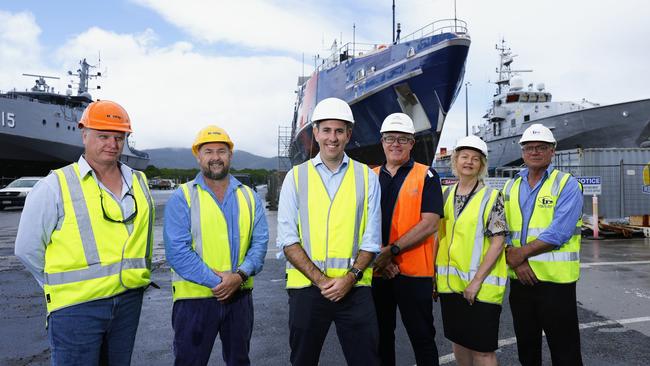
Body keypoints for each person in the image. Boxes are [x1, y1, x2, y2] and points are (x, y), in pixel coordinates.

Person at [14, 100, 155, 365]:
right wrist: (61, 286)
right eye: (103, 136)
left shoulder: (139, 181)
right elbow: (26, 249)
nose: (112, 144)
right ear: (84, 134)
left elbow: (143, 238)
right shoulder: (55, 185)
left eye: (118, 137)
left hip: (127, 301)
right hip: (76, 308)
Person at [277, 97, 382, 366]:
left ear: (349, 134)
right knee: (303, 361)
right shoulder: (296, 178)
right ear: (315, 133)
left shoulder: (367, 177)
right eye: (326, 130)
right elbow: (288, 241)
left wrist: (349, 278)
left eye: (339, 131)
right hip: (307, 289)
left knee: (366, 361)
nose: (332, 138)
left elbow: (371, 240)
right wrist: (323, 282)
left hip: (355, 288)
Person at [164, 125, 268, 366]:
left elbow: (260, 243)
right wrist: (222, 283)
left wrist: (239, 276)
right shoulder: (183, 197)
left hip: (240, 299)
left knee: (239, 361)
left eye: (221, 151)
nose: (215, 157)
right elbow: (177, 252)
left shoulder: (249, 197)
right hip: (194, 301)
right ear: (198, 156)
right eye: (208, 151)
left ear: (230, 155)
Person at [503, 123, 584, 365]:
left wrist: (519, 256)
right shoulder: (510, 186)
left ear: (552, 152)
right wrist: (515, 259)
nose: (535, 152)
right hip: (520, 281)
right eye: (529, 148)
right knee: (526, 349)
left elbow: (560, 232)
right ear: (522, 152)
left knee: (565, 351)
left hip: (555, 284)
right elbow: (500, 228)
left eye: (541, 147)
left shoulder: (567, 184)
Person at [371, 113, 443, 366]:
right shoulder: (369, 176)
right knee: (380, 338)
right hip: (378, 271)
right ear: (382, 142)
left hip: (414, 273)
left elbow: (430, 222)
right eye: (390, 138)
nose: (396, 144)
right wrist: (380, 256)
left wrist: (391, 251)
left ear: (412, 143)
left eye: (403, 139)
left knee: (422, 338)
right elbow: (359, 223)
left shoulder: (427, 176)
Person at [436, 135, 508, 366]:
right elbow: (439, 237)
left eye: (475, 159)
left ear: (481, 165)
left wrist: (476, 281)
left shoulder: (491, 197)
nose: (469, 162)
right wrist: (433, 277)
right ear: (455, 161)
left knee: (482, 349)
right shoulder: (446, 194)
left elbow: (498, 242)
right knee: (459, 341)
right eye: (464, 157)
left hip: (480, 287)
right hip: (451, 285)